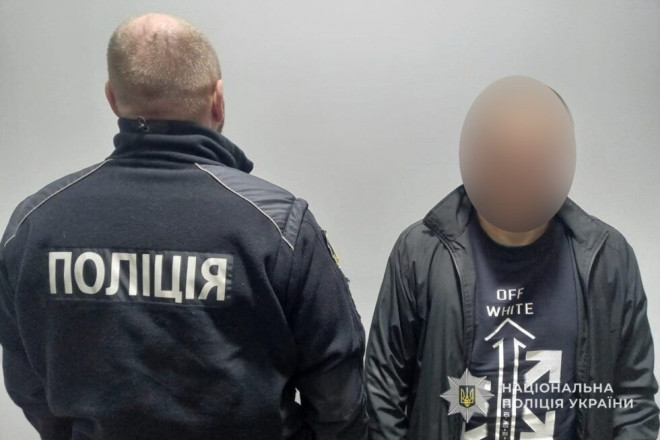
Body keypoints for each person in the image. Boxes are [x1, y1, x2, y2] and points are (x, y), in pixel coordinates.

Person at [0, 13, 367, 440]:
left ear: (112, 99)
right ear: (218, 100)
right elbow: (339, 401)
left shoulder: (34, 225)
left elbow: (30, 387)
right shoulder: (277, 226)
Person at [365, 76, 659, 439]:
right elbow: (383, 394)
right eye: (505, 155)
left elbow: (633, 401)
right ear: (476, 155)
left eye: (536, 156)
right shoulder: (420, 253)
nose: (519, 171)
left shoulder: (608, 259)